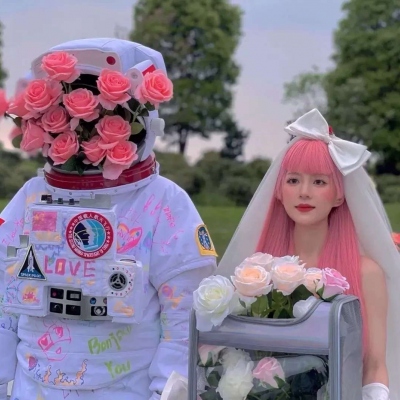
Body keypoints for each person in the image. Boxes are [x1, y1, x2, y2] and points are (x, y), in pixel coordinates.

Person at [0, 38, 217, 400]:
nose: (82, 128)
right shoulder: (32, 196)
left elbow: (184, 318)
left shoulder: (163, 202)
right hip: (32, 389)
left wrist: (166, 392)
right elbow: (4, 296)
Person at [218, 109, 400, 400]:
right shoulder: (255, 276)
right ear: (279, 190)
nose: (304, 192)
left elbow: (375, 366)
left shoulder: (367, 275)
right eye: (293, 181)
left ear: (339, 194)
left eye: (319, 182)